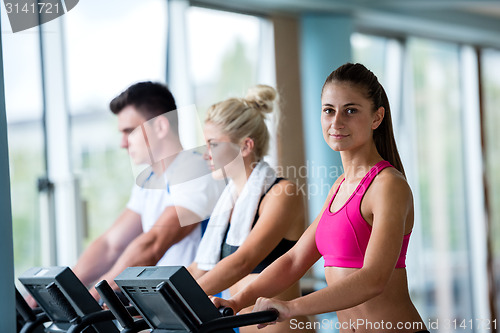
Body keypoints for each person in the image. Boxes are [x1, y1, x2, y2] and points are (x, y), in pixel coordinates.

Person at [212, 63, 429, 333]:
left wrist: (291, 307)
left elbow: (374, 279)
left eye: (350, 111)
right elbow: (293, 262)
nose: (336, 122)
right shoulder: (339, 187)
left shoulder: (388, 186)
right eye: (329, 110)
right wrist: (236, 301)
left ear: (377, 117)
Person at [70, 82, 222, 300]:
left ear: (160, 127)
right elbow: (111, 245)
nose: (123, 143)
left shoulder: (195, 170)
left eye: (129, 131)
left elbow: (154, 244)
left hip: (200, 309)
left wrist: (93, 297)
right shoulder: (150, 180)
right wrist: (63, 291)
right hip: (167, 305)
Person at [187, 85, 314, 333]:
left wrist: (176, 301)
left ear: (245, 146)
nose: (206, 155)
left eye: (213, 144)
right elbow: (198, 268)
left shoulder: (281, 193)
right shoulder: (228, 204)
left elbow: (243, 261)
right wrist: (147, 299)